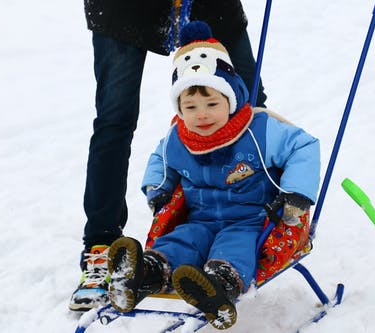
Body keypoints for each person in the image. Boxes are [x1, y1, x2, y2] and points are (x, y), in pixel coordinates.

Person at [105, 21, 320, 330]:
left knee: (234, 248)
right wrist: (158, 187)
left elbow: (304, 146)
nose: (201, 114)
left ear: (231, 98)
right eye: (190, 106)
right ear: (179, 107)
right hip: (199, 219)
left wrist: (296, 192)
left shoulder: (259, 129)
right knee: (180, 241)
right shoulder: (178, 137)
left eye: (211, 103)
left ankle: (219, 286)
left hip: (249, 220)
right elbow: (161, 160)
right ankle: (145, 273)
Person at [69, 1, 266, 311]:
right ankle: (101, 246)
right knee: (114, 119)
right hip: (122, 11)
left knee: (248, 104)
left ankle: (258, 222)